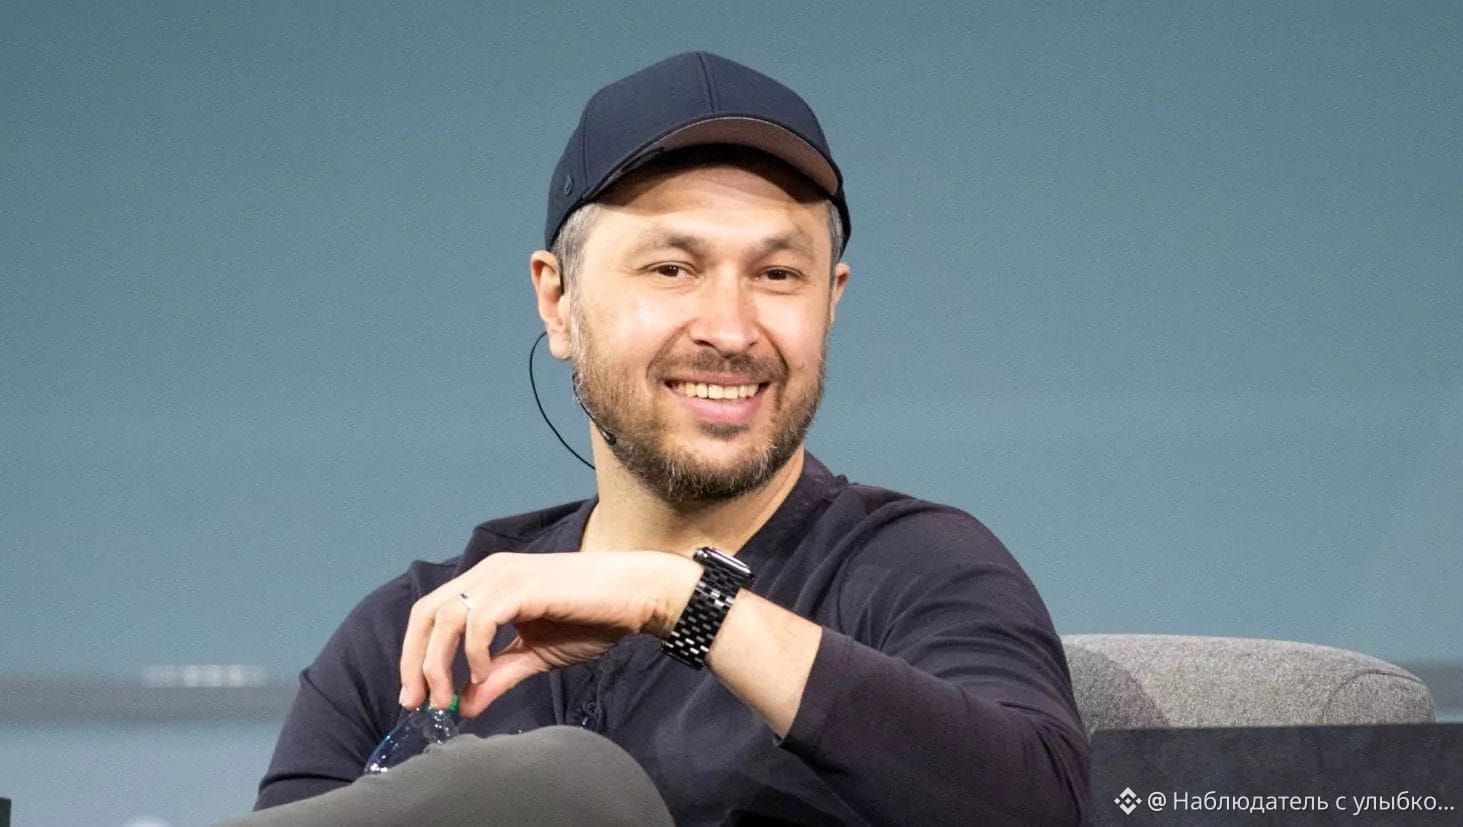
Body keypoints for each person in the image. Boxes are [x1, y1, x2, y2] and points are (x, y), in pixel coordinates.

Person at [235, 51, 1089, 826]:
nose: (730, 328)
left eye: (777, 274)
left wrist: (680, 599)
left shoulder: (913, 572)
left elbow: (1041, 807)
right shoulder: (416, 628)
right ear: (557, 300)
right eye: (671, 268)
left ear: (831, 299)